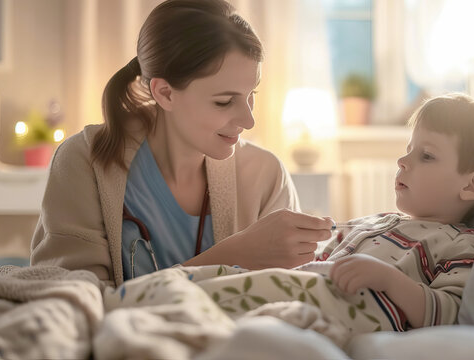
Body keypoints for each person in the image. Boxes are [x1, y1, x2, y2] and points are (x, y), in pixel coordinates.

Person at [30, 0, 333, 287]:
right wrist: (231, 256)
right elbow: (72, 301)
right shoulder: (84, 162)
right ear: (165, 93)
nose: (249, 120)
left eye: (252, 94)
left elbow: (291, 300)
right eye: (224, 101)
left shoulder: (267, 176)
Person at [307, 93, 474, 329]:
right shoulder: (377, 222)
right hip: (304, 294)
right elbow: (316, 262)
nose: (402, 160)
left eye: (426, 156)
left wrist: (390, 280)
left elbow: (450, 314)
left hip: (331, 320)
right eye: (409, 149)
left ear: (471, 185)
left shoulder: (460, 244)